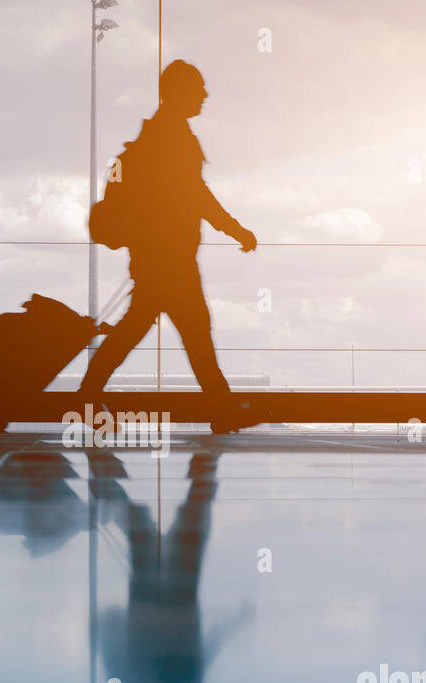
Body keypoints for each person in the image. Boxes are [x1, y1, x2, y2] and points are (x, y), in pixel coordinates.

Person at [80, 60, 258, 434]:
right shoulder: (173, 138)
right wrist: (235, 229)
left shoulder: (158, 136)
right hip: (170, 259)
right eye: (198, 89)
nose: (205, 95)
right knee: (191, 330)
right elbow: (197, 196)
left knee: (150, 329)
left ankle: (88, 399)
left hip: (157, 257)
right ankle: (222, 409)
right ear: (178, 92)